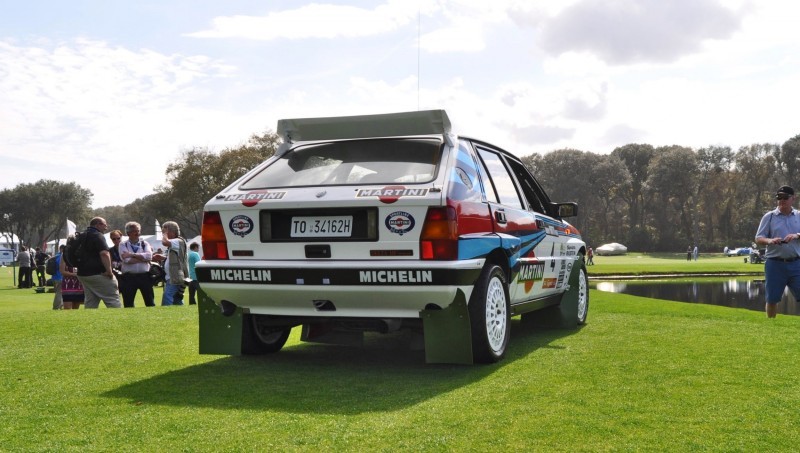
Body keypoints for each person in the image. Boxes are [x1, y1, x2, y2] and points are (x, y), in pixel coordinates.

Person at [754, 185, 800, 318]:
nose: (782, 200)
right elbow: (758, 238)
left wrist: (797, 235)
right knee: (772, 299)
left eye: (785, 197)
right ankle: (772, 327)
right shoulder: (769, 217)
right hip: (774, 264)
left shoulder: (798, 215)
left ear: (793, 198)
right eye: (779, 197)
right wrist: (770, 241)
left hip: (796, 263)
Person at [76, 217, 121, 309]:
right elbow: (104, 254)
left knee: (91, 302)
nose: (106, 227)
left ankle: (90, 322)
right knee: (112, 300)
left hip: (82, 274)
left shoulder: (81, 235)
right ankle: (118, 321)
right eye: (105, 224)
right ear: (98, 225)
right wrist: (109, 271)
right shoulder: (97, 235)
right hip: (98, 273)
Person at [118, 222, 155, 307]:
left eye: (138, 231)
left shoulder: (144, 243)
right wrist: (143, 259)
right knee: (128, 303)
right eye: (134, 231)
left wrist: (132, 255)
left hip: (145, 276)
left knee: (150, 302)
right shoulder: (123, 244)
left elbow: (149, 256)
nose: (137, 233)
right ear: (128, 233)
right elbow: (127, 260)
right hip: (129, 277)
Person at [153, 221, 189, 306]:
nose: (163, 235)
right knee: (177, 299)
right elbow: (175, 258)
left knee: (167, 297)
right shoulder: (176, 242)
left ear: (172, 232)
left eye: (165, 232)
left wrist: (165, 235)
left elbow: (164, 242)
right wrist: (162, 257)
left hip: (174, 277)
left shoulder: (178, 241)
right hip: (173, 276)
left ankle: (167, 313)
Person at [52, 245, 65, 310]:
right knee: (59, 293)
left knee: (58, 292)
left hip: (54, 277)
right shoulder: (61, 257)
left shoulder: (55, 256)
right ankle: (56, 306)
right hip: (60, 277)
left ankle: (60, 305)